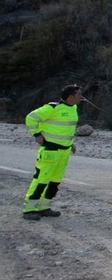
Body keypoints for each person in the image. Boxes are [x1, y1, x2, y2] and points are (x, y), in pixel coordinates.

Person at [23, 85, 82, 221]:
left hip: (64, 152)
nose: (81, 97)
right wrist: (37, 134)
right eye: (78, 94)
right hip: (50, 150)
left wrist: (70, 144)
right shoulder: (52, 108)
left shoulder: (73, 108)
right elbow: (31, 118)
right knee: (41, 180)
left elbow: (65, 129)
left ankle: (44, 207)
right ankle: (29, 209)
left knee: (55, 181)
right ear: (70, 97)